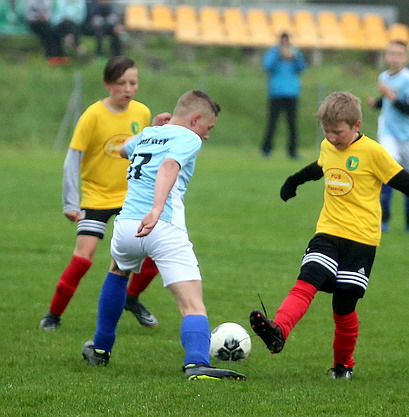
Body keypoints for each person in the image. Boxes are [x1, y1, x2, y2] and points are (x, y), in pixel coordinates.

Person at [249, 91, 409, 379]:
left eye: (338, 132)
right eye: (326, 131)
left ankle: (343, 365)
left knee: (343, 307)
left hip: (361, 240)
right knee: (307, 279)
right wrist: (293, 181)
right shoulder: (327, 146)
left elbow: (408, 184)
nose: (331, 138)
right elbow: (319, 167)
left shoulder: (373, 153)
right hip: (328, 231)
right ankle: (278, 330)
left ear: (356, 125)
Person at [81, 89, 246, 381]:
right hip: (162, 226)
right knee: (192, 303)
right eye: (208, 127)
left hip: (127, 225)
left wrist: (152, 130)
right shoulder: (189, 138)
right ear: (195, 119)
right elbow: (169, 165)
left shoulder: (147, 135)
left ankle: (101, 348)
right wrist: (157, 209)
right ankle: (197, 364)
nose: (206, 135)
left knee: (117, 272)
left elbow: (122, 150)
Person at [39, 56, 165, 331]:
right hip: (96, 197)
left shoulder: (142, 112)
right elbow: (72, 159)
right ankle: (53, 315)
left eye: (133, 83)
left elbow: (146, 151)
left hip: (130, 199)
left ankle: (131, 298)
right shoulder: (92, 115)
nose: (128, 89)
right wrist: (71, 203)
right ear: (108, 84)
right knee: (83, 258)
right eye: (121, 83)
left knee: (157, 251)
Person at [368, 41, 409, 233]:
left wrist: (388, 95)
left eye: (399, 54)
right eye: (391, 53)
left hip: (407, 135)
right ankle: (384, 219)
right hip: (387, 132)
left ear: (406, 58)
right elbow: (386, 102)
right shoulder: (383, 77)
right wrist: (376, 103)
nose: (394, 58)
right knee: (387, 171)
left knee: (407, 176)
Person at [261, 32, 306, 159]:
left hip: (292, 92)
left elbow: (302, 67)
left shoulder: (295, 52)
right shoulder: (273, 52)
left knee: (292, 124)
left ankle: (293, 151)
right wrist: (278, 55)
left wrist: (294, 58)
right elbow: (267, 66)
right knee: (272, 122)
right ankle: (266, 149)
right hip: (276, 92)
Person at [24, 0, 67, 66]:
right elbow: (27, 15)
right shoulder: (30, 1)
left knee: (54, 31)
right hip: (34, 22)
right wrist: (38, 16)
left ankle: (60, 55)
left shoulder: (47, 1)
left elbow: (49, 13)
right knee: (48, 32)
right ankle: (51, 55)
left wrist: (46, 16)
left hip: (45, 22)